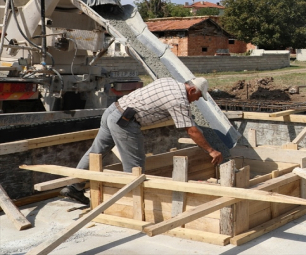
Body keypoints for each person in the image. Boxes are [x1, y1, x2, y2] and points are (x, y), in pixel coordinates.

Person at [60, 77, 223, 206]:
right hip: (126, 121)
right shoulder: (179, 100)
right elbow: (192, 130)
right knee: (135, 166)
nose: (196, 100)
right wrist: (211, 150)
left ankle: (74, 186)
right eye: (198, 97)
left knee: (96, 151)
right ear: (192, 89)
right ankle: (130, 202)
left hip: (113, 110)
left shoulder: (169, 81)